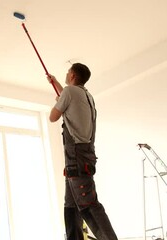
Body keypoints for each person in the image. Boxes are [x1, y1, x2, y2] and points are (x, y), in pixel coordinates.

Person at [47, 63, 118, 240]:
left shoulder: (69, 93)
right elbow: (67, 95)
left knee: (88, 205)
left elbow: (52, 117)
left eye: (67, 71)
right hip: (82, 156)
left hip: (76, 157)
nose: (66, 73)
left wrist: (59, 104)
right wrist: (55, 82)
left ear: (72, 75)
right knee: (71, 205)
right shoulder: (86, 95)